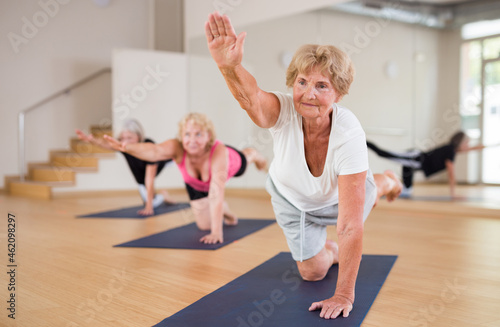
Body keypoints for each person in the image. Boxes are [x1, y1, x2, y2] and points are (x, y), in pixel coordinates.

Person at [204, 11, 403, 320]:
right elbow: (251, 98)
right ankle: (335, 243)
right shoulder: (283, 111)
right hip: (293, 200)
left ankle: (386, 181)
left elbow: (350, 225)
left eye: (322, 86)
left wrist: (343, 294)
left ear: (338, 93)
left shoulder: (348, 133)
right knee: (312, 273)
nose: (309, 94)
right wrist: (228, 66)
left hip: (338, 197)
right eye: (302, 82)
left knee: (368, 192)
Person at [102, 112, 268, 244]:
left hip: (231, 164)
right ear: (181, 136)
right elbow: (154, 151)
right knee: (203, 225)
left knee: (245, 161)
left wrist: (217, 232)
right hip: (197, 185)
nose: (192, 140)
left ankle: (253, 153)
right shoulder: (177, 147)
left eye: (198, 134)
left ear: (208, 136)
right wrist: (127, 147)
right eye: (187, 134)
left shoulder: (219, 152)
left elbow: (216, 193)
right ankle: (228, 212)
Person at [76, 119, 176, 216]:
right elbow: (107, 145)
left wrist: (149, 207)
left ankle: (170, 160)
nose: (126, 142)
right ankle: (164, 195)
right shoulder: (124, 146)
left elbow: (149, 179)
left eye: (130, 138)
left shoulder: (148, 147)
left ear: (139, 136)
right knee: (146, 194)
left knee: (151, 202)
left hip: (159, 162)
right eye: (123, 138)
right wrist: (90, 140)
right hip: (142, 176)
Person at [367, 131, 496, 198]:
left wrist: (489, 146)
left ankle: (404, 189)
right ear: (460, 142)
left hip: (416, 163)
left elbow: (470, 149)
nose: (467, 146)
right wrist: (453, 193)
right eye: (466, 143)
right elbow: (451, 173)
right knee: (382, 153)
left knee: (407, 183)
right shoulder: (450, 151)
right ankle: (363, 140)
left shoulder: (452, 149)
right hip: (415, 158)